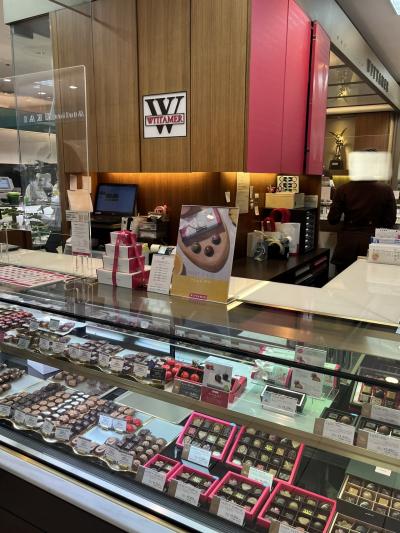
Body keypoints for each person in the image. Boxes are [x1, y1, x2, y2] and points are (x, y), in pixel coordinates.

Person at [328, 151, 397, 273]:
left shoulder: (343, 189)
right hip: (373, 247)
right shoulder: (386, 190)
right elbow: (390, 221)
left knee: (344, 280)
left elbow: (333, 220)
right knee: (370, 281)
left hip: (347, 245)